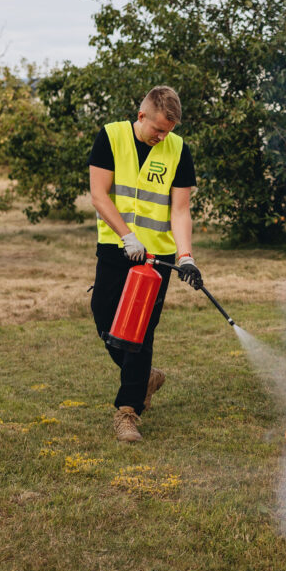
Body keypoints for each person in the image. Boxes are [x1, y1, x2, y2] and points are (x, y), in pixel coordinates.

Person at [88, 86, 202, 442]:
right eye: (158, 129)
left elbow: (180, 209)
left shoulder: (178, 149)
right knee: (104, 316)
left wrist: (185, 256)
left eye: (168, 130)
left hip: (157, 257)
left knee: (139, 331)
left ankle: (127, 412)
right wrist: (126, 236)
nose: (163, 136)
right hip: (115, 246)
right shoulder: (110, 136)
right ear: (142, 116)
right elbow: (98, 194)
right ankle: (144, 377)